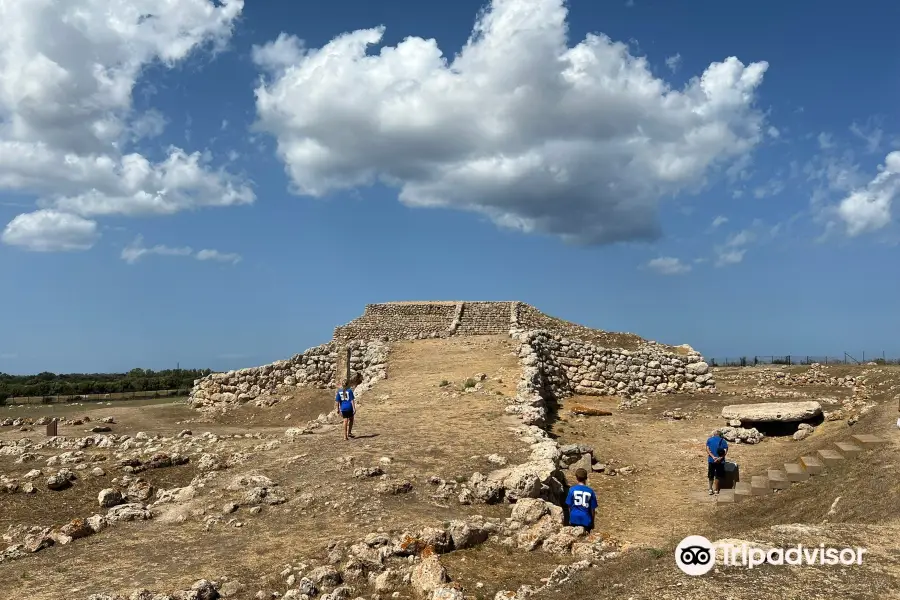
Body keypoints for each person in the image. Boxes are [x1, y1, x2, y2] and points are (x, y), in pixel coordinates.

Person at [706, 429, 729, 495]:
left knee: (711, 475)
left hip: (711, 460)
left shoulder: (709, 440)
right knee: (718, 476)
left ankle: (710, 489)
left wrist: (713, 457)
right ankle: (716, 490)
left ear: (714, 434)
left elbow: (707, 449)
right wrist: (720, 458)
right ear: (720, 435)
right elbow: (725, 450)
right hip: (720, 461)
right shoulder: (723, 441)